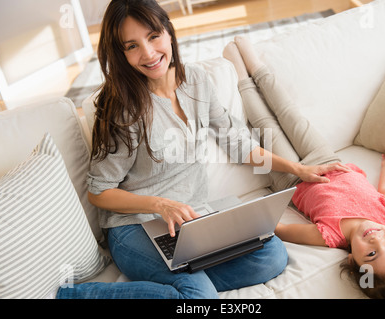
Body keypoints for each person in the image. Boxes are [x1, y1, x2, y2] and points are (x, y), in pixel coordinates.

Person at [71, 0, 348, 299]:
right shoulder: (125, 110)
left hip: (191, 225)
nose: (149, 54)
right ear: (121, 54)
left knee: (271, 256)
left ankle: (177, 284)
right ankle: (85, 295)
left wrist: (299, 168)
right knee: (199, 294)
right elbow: (98, 192)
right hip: (134, 228)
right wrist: (160, 205)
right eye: (132, 46)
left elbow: (239, 145)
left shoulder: (197, 82)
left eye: (153, 36)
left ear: (168, 31)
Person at [222, 36, 385, 299]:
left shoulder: (330, 237)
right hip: (326, 159)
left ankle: (240, 76)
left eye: (371, 254)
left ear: (353, 261)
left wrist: (244, 219)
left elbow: (280, 228)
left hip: (290, 178)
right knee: (290, 113)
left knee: (264, 124)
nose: (377, 240)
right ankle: (256, 66)